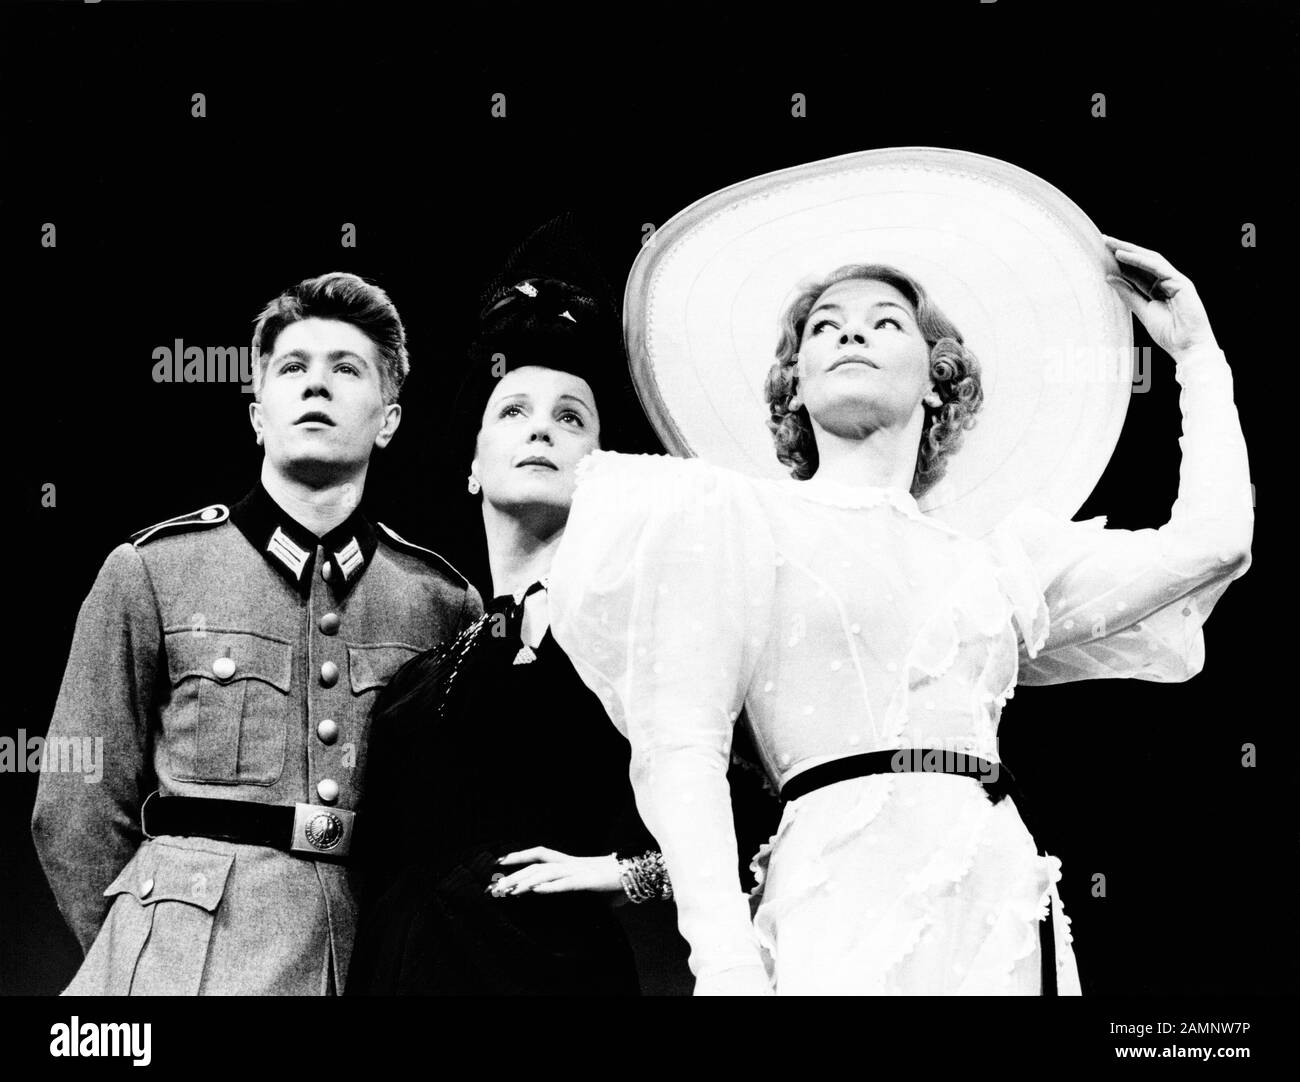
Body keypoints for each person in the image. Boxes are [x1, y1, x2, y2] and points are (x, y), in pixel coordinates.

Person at [548, 235, 1253, 995]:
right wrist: (725, 964)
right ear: (795, 385)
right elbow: (682, 749)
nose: (851, 333)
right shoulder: (734, 519)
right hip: (836, 898)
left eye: (885, 322)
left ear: (936, 380)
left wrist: (1200, 358)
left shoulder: (997, 565)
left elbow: (1212, 547)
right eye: (825, 326)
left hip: (995, 901)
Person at [31, 272, 479, 995]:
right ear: (258, 415)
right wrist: (142, 954)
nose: (317, 384)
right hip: (182, 965)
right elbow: (74, 807)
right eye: (293, 368)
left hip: (363, 963)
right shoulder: (153, 570)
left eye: (347, 369)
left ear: (388, 420)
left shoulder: (440, 602)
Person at [346, 223, 675, 996]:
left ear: (603, 468)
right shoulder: (419, 676)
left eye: (571, 417)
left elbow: (757, 818)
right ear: (473, 464)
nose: (540, 427)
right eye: (514, 410)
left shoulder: (636, 640)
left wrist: (621, 873)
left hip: (552, 976)